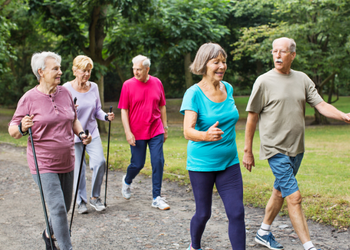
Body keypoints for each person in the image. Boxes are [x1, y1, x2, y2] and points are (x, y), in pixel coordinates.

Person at [243, 37, 350, 250]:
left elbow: (320, 104)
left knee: (280, 191)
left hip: (296, 148)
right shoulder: (263, 81)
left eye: (282, 52)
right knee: (295, 197)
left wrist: (343, 116)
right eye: (274, 51)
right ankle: (309, 246)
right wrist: (248, 151)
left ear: (292, 55)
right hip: (275, 149)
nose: (277, 55)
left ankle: (263, 232)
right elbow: (252, 117)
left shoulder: (302, 79)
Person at [8, 51, 92, 250]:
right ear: (41, 72)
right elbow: (13, 129)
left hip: (67, 159)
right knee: (58, 207)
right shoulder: (29, 98)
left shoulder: (65, 93)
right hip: (43, 162)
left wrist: (81, 135)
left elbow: (73, 119)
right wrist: (22, 127)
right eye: (55, 69)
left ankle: (48, 233)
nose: (60, 72)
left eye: (60, 68)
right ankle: (66, 247)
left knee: (65, 206)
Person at [180, 43, 246, 250]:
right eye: (216, 62)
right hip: (202, 164)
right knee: (203, 213)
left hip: (229, 163)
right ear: (204, 64)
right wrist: (206, 135)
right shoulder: (194, 93)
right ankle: (195, 246)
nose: (222, 66)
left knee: (237, 212)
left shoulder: (228, 88)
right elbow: (187, 131)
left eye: (224, 62)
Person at [63, 55, 115, 214]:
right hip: (74, 135)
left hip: (91, 132)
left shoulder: (93, 87)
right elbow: (61, 112)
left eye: (89, 71)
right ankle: (81, 201)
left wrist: (106, 116)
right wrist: (70, 109)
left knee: (100, 162)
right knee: (78, 170)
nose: (87, 74)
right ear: (75, 70)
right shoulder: (66, 88)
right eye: (84, 71)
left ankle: (95, 197)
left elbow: (97, 109)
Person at [118, 55, 170, 210]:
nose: (135, 72)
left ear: (147, 69)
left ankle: (156, 197)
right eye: (133, 69)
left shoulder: (157, 82)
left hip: (155, 129)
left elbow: (162, 106)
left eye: (139, 69)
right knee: (138, 164)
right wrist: (128, 132)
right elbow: (124, 110)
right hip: (137, 131)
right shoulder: (127, 85)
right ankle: (127, 181)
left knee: (158, 161)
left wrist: (165, 128)